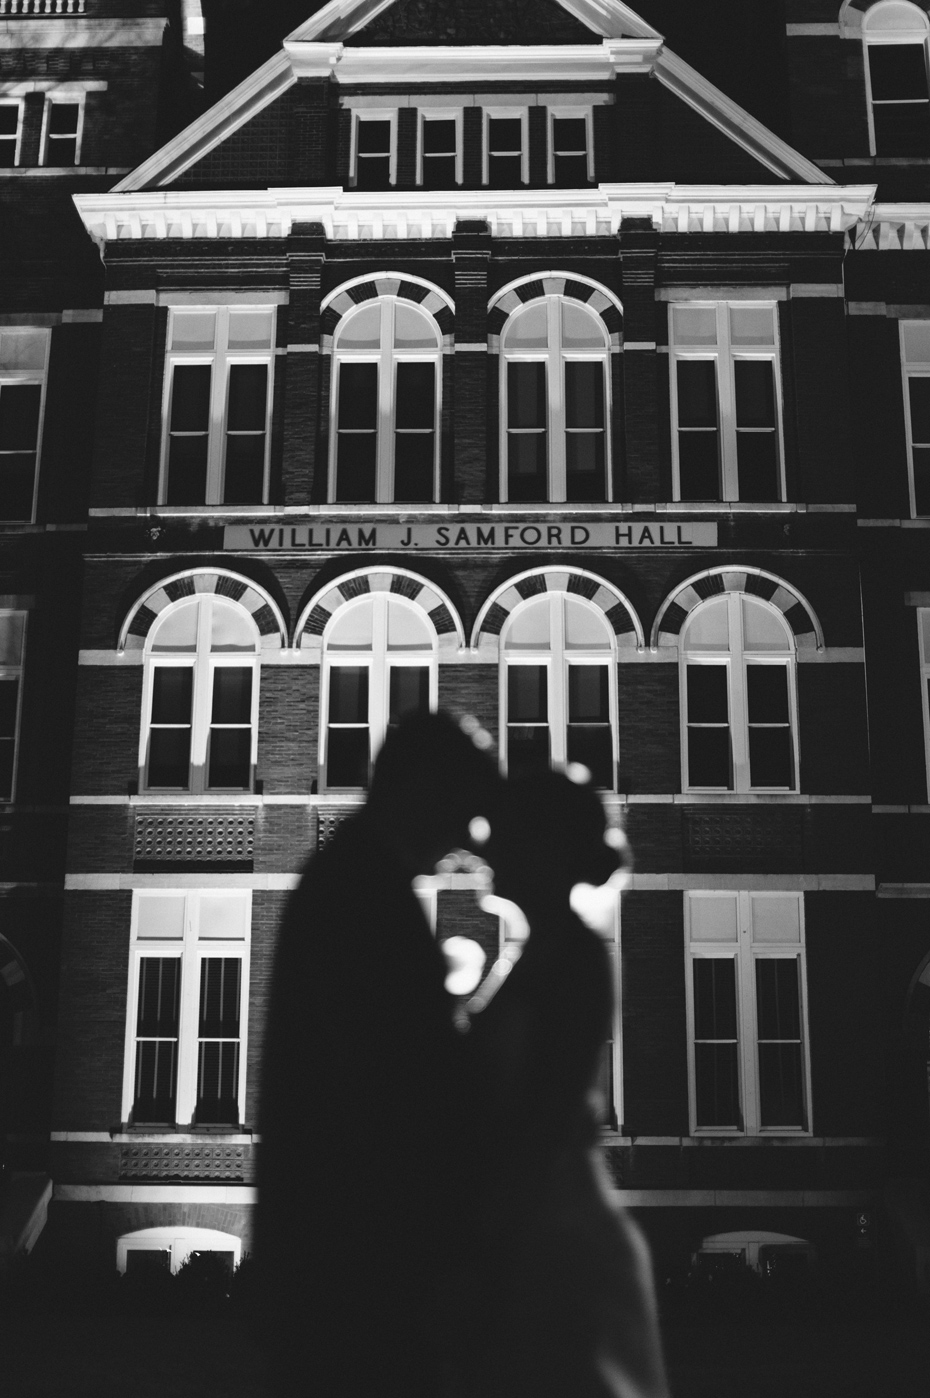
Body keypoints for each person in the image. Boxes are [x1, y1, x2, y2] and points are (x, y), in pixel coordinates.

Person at [256, 710, 501, 1398]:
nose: (467, 840)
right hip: (355, 1273)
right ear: (425, 792)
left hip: (341, 1270)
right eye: (463, 811)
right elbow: (391, 1092)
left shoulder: (355, 879)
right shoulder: (362, 895)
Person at [451, 769, 671, 1398]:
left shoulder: (572, 959)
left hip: (548, 1228)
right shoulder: (535, 953)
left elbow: (539, 1113)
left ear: (539, 849)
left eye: (499, 834)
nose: (481, 849)